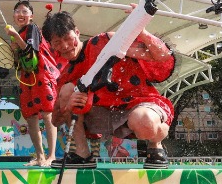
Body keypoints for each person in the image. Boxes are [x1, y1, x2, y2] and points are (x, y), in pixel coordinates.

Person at [43, 10, 175, 169]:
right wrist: (68, 107)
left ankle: (155, 144)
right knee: (67, 91)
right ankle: (82, 154)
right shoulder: (66, 74)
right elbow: (55, 120)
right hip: (104, 114)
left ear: (77, 32)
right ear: (51, 45)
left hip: (139, 104)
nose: (64, 46)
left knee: (145, 123)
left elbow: (162, 56)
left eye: (67, 38)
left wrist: (142, 32)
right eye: (57, 42)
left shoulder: (106, 41)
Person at [7, 1, 63, 167]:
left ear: (31, 16)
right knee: (30, 117)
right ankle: (39, 156)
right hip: (27, 77)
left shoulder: (32, 28)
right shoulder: (19, 32)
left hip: (42, 73)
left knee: (47, 113)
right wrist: (14, 48)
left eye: (24, 11)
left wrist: (17, 38)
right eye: (17, 11)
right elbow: (19, 61)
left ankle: (51, 156)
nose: (20, 14)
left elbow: (31, 50)